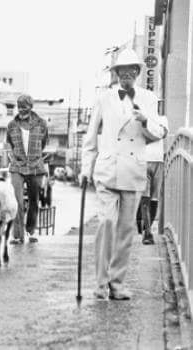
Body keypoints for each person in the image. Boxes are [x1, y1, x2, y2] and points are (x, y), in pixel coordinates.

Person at [81, 49, 167, 300]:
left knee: (126, 230)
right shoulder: (104, 98)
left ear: (138, 73)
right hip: (107, 169)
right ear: (116, 73)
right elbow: (90, 138)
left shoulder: (149, 98)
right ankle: (100, 282)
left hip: (133, 170)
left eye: (131, 71)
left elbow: (158, 134)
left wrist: (144, 122)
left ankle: (117, 283)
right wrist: (86, 168)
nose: (126, 75)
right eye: (122, 71)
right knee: (107, 223)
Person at [6, 94, 49, 244]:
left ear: (31, 107)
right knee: (16, 200)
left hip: (36, 166)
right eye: (19, 107)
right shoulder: (11, 125)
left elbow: (43, 143)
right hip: (17, 166)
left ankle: (31, 231)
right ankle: (17, 235)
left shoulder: (42, 124)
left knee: (33, 200)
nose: (21, 110)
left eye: (25, 107)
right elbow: (9, 143)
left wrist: (35, 156)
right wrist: (14, 158)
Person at [137, 114, 169, 245]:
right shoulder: (140, 116)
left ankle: (142, 222)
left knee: (154, 199)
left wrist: (148, 127)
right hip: (143, 160)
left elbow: (163, 133)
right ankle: (147, 233)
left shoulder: (162, 118)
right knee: (145, 197)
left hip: (158, 162)